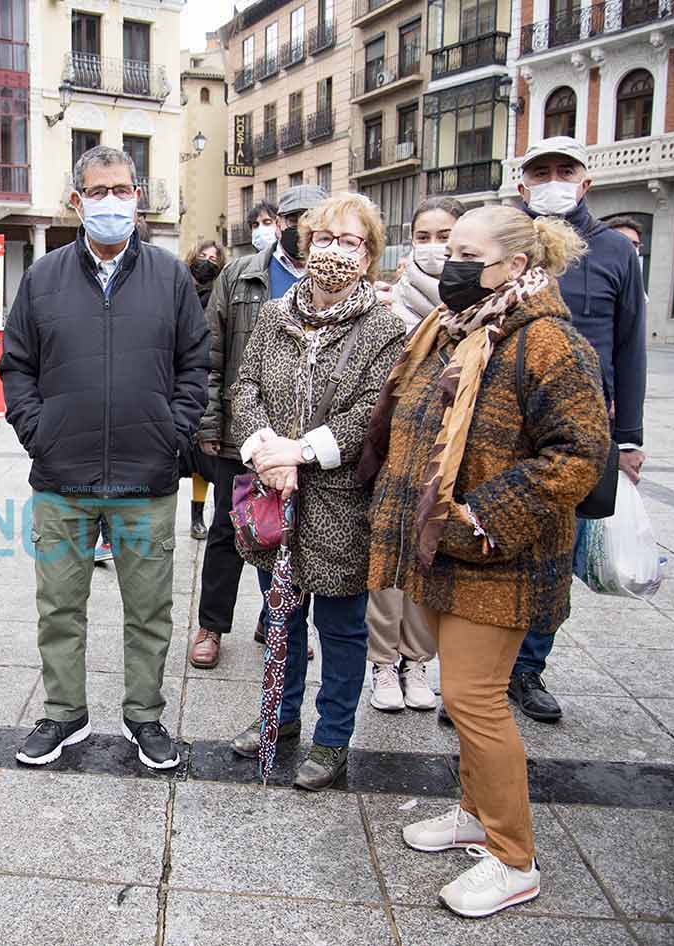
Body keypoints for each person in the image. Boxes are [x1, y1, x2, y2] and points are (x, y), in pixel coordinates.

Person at [362, 205, 609, 917]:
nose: (450, 265)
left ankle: (513, 856)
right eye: (447, 250)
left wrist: (481, 516)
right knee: (463, 697)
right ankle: (475, 813)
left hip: (499, 557)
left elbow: (579, 453)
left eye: (467, 254)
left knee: (474, 699)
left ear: (516, 266)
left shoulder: (548, 342)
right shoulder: (458, 327)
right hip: (448, 549)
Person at [1, 146, 209, 770]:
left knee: (150, 612)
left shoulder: (170, 277)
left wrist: (172, 433)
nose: (111, 202)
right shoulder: (43, 278)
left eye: (122, 190)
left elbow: (195, 365)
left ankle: (144, 715)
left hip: (147, 480)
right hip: (62, 479)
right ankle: (65, 712)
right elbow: (17, 366)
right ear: (77, 201)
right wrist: (38, 431)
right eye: (98, 192)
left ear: (137, 196)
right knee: (59, 609)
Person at [229, 192, 407, 789]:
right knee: (282, 618)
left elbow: (373, 413)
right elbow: (245, 387)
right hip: (275, 496)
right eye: (325, 239)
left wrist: (301, 452)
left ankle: (332, 738)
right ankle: (279, 718)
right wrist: (265, 451)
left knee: (341, 628)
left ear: (369, 254)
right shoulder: (275, 315)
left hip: (341, 502)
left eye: (349, 241)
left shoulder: (384, 328)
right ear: (307, 247)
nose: (335, 251)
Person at [512, 136, 646, 723]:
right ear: (522, 183)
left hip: (583, 430)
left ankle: (527, 668)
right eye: (540, 171)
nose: (552, 181)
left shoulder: (615, 250)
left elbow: (631, 345)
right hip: (508, 424)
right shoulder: (506, 239)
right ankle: (485, 672)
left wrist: (630, 438)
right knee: (498, 543)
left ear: (585, 182)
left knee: (558, 555)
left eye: (564, 170)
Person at [194, 185, 326, 681]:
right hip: (240, 429)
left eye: (312, 218)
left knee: (292, 533)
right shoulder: (240, 274)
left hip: (302, 437)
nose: (300, 227)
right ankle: (211, 626)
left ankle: (278, 621)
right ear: (280, 221)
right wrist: (210, 422)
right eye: (292, 218)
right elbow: (210, 353)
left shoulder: (332, 278)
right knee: (227, 531)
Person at [365, 196, 465, 715]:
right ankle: (382, 662)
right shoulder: (389, 305)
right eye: (423, 237)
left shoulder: (478, 310)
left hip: (446, 458)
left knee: (430, 559)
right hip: (394, 454)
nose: (433, 248)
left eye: (445, 237)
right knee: (387, 560)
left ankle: (418, 660)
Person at [184, 239, 225, 541]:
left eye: (213, 259)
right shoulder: (180, 287)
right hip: (180, 376)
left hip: (206, 374)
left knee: (204, 457)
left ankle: (198, 516)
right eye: (203, 256)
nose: (207, 262)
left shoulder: (218, 294)